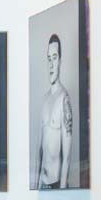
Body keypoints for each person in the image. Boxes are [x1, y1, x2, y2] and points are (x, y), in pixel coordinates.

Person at [37, 34, 73, 189]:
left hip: (55, 185)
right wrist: (35, 185)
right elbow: (40, 150)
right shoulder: (44, 100)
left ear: (60, 61)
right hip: (42, 184)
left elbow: (67, 157)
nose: (51, 64)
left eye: (55, 57)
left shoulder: (64, 100)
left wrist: (62, 193)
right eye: (49, 59)